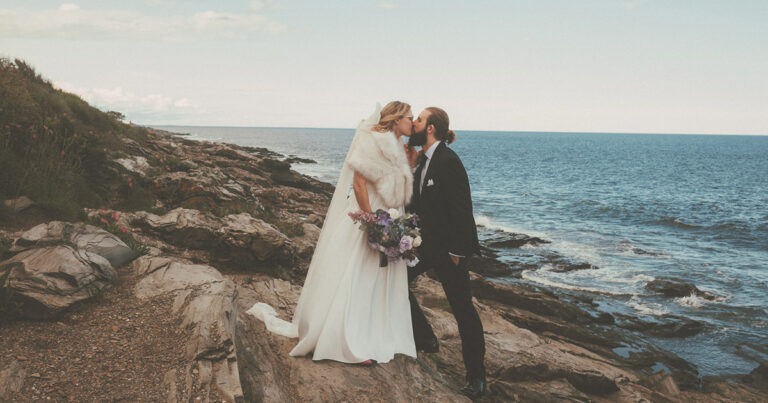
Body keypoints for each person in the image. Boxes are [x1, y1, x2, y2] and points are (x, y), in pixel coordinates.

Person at [248, 101, 418, 364]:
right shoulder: (373, 140)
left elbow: (394, 185)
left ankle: (373, 334)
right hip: (369, 217)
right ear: (396, 119)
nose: (413, 121)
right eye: (409, 117)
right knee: (355, 275)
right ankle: (344, 341)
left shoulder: (400, 147)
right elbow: (359, 184)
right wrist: (371, 220)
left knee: (377, 279)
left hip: (389, 217)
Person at [406, 107, 486, 397]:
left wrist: (458, 252)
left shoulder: (448, 161)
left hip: (449, 251)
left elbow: (463, 209)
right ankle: (426, 337)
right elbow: (416, 205)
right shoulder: (422, 160)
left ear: (430, 129)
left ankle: (476, 378)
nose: (413, 124)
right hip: (425, 247)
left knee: (463, 310)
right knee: (395, 281)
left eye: (418, 120)